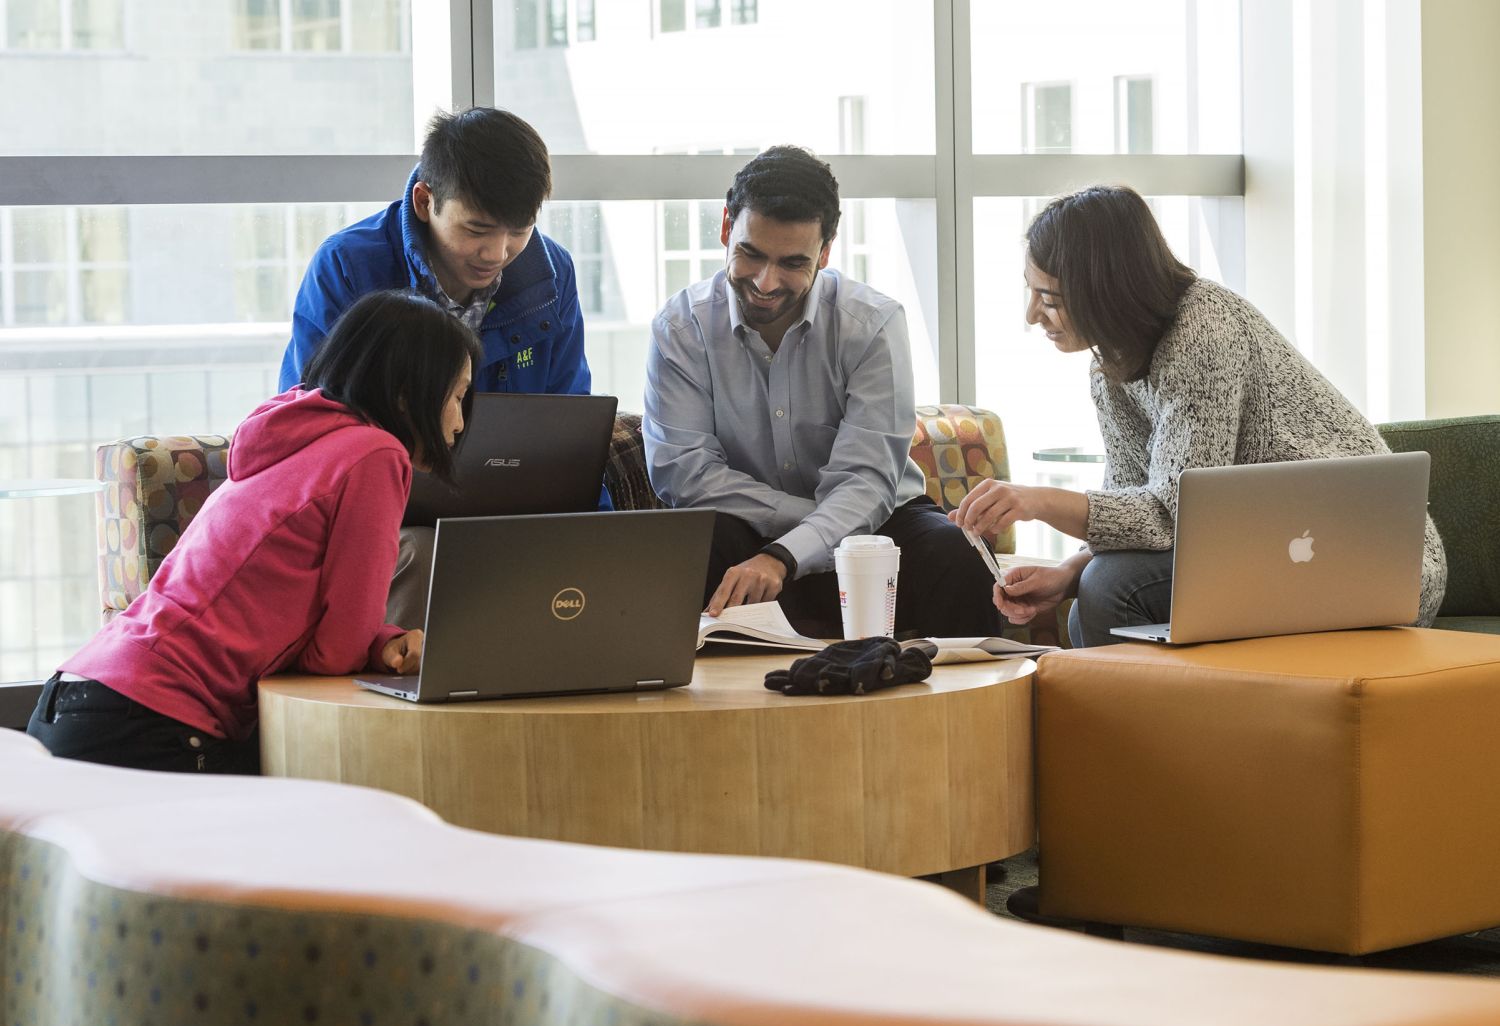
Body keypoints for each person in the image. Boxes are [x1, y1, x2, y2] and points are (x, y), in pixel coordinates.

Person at [951, 185, 1447, 648]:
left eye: (1049, 299)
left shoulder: (1204, 329)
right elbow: (1130, 512)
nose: (1032, 315)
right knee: (1093, 593)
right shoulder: (1111, 368)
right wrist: (1069, 571)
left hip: (1370, 559)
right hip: (1265, 547)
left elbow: (1171, 515)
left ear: (1104, 287)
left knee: (1110, 589)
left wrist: (1036, 501)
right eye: (1031, 292)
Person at [27, 290, 481, 773]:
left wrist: (380, 640)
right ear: (406, 394)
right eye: (456, 396)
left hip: (79, 698)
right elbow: (336, 653)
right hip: (151, 721)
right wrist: (367, 643)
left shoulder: (299, 436)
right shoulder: (375, 455)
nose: (459, 422)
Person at [644, 145, 1000, 638]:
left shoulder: (872, 324)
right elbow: (685, 473)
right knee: (696, 545)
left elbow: (866, 481)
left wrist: (788, 553)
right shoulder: (681, 329)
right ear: (726, 227)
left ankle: (958, 694)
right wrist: (813, 525)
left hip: (878, 523)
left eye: (792, 262)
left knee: (957, 555)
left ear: (826, 251)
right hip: (744, 525)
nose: (765, 282)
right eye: (751, 254)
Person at [277, 107, 607, 630]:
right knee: (423, 554)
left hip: (512, 517)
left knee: (612, 551)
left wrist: (600, 530)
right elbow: (308, 425)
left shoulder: (551, 275)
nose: (497, 253)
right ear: (425, 201)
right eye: (477, 229)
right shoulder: (349, 266)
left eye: (519, 231)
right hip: (383, 518)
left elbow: (569, 425)